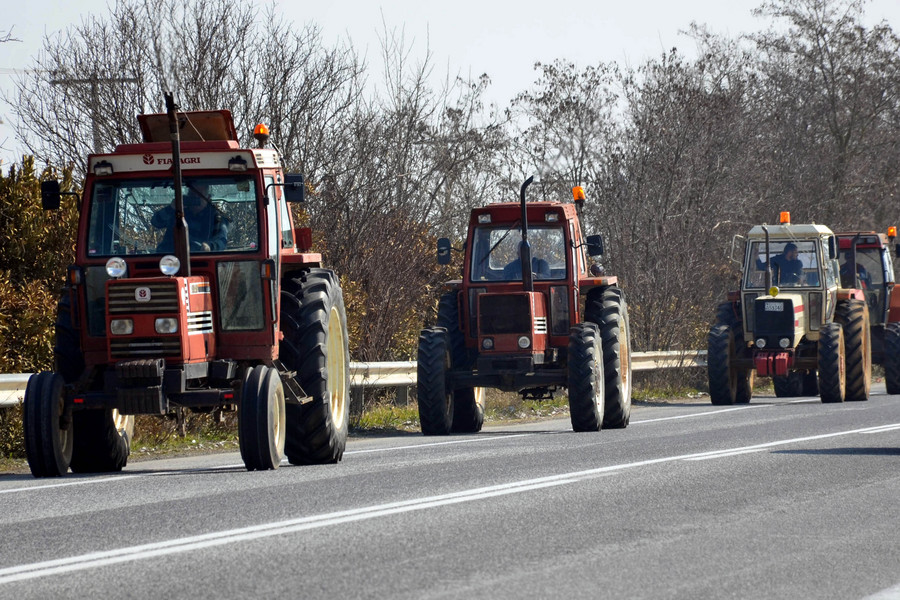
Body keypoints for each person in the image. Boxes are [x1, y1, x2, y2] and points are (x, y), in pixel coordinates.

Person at [151, 182, 229, 253]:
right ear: (187, 196)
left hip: (201, 259)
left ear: (208, 198)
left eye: (199, 195)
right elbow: (155, 222)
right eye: (192, 195)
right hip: (169, 259)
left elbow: (221, 240)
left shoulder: (216, 217)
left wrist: (209, 247)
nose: (195, 198)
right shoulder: (177, 211)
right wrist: (171, 208)